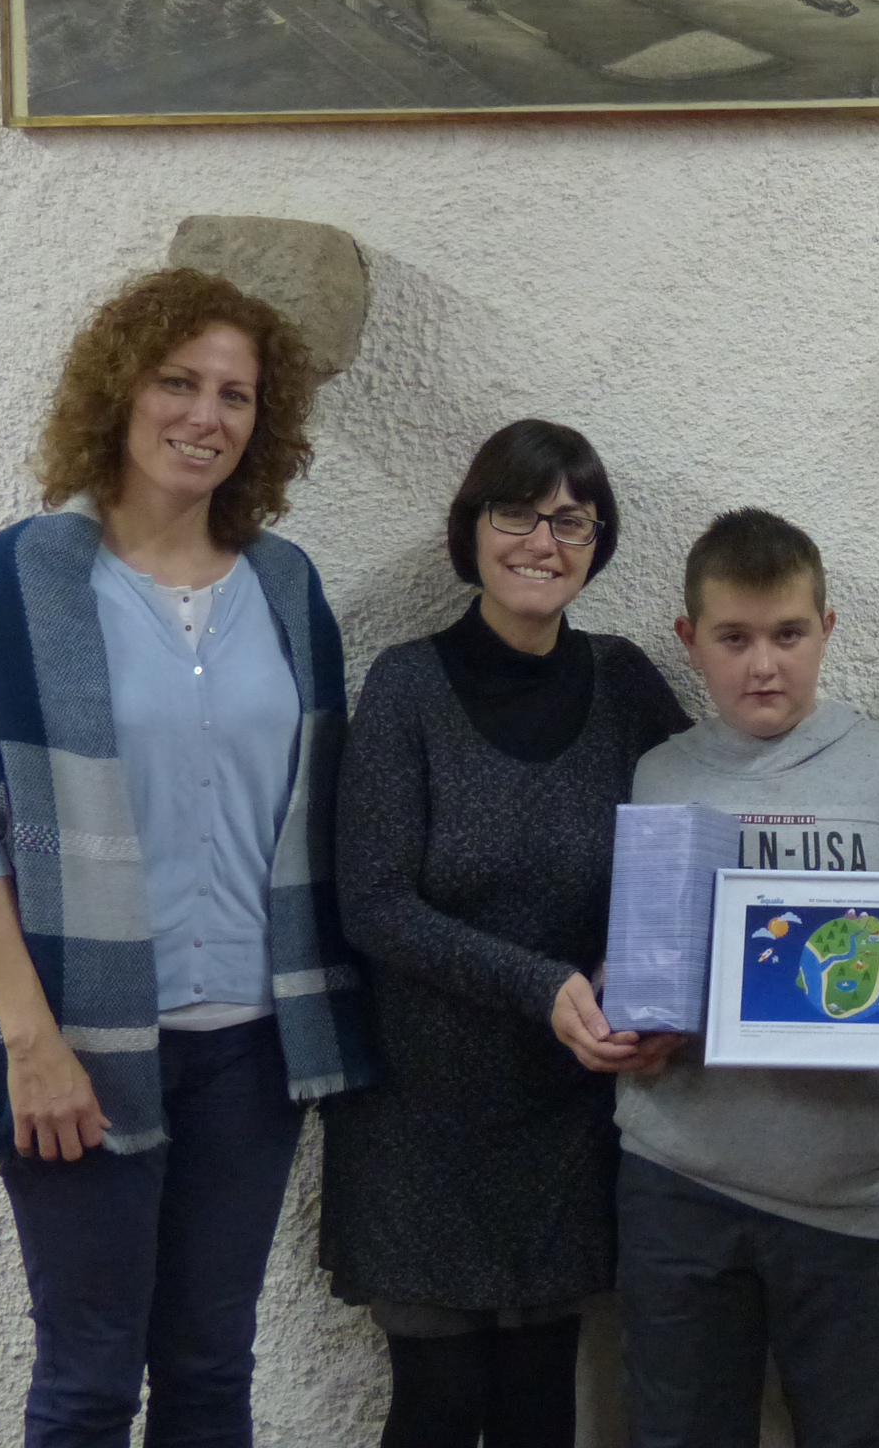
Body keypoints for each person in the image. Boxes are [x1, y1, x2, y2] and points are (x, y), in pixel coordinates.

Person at [0, 267, 374, 1448]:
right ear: (121, 388)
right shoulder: (21, 579)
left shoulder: (285, 585)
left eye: (236, 394)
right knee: (89, 1385)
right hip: (82, 1045)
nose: (205, 416)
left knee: (212, 1374)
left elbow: (323, 808)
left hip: (254, 1050)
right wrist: (31, 1042)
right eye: (178, 381)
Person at [318, 420, 692, 1448]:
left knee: (539, 1407)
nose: (542, 540)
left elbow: (698, 830)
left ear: (598, 542)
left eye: (571, 520)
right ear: (473, 529)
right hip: (420, 1118)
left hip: (564, 1113)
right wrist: (541, 985)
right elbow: (374, 903)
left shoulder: (624, 683)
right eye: (517, 513)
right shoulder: (406, 685)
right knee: (438, 1409)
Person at [611, 508, 879, 1448]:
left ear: (828, 629)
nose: (763, 665)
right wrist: (623, 1007)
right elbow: (636, 957)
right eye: (734, 638)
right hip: (676, 1181)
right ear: (689, 639)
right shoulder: (656, 776)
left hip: (856, 1195)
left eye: (788, 634)